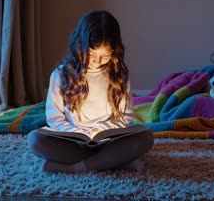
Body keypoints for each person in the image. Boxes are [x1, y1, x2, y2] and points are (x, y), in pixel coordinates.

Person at [27, 10, 154, 173]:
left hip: (110, 141)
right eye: (92, 54)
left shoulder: (120, 76)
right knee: (35, 140)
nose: (98, 61)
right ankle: (115, 161)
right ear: (79, 45)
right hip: (74, 142)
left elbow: (126, 117)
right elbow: (55, 118)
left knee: (145, 138)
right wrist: (78, 133)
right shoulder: (60, 75)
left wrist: (104, 131)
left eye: (105, 55)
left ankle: (78, 167)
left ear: (114, 51)